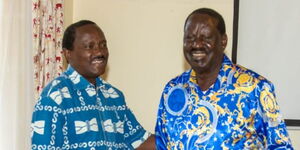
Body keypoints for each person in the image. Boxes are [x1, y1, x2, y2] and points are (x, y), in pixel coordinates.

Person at [155, 8, 293, 149]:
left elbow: (281, 146)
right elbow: (161, 145)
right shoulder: (172, 90)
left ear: (223, 41)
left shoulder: (256, 88)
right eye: (189, 38)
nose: (196, 44)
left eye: (206, 37)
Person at [31, 20, 155, 150]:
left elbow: (139, 141)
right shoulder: (54, 98)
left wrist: (176, 133)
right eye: (89, 46)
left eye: (103, 45)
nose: (99, 52)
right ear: (68, 54)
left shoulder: (114, 96)